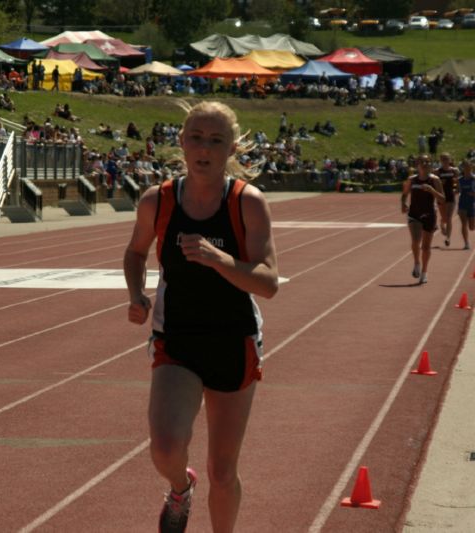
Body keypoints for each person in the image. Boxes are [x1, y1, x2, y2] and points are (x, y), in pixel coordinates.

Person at [123, 100, 279, 533]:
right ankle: (179, 488)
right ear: (181, 143)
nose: (204, 148)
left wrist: (219, 260)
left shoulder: (247, 203)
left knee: (223, 469)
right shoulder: (159, 201)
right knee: (166, 447)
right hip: (178, 340)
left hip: (233, 341)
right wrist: (136, 293)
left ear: (232, 147)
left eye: (215, 140)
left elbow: (268, 283)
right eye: (196, 137)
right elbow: (135, 252)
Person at [401, 155, 445, 284]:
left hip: (429, 214)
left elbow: (442, 199)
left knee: (426, 247)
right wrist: (403, 204)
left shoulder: (435, 180)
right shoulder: (412, 180)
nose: (425, 164)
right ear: (417, 165)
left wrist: (432, 191)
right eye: (422, 162)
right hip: (414, 214)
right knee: (415, 241)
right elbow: (404, 194)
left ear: (431, 164)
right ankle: (416, 263)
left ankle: (425, 272)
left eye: (427, 162)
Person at [457, 160, 475, 249]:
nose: (467, 168)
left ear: (471, 167)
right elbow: (456, 190)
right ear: (463, 168)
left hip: (471, 203)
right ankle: (466, 243)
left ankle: (471, 221)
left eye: (468, 167)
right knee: (463, 223)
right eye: (465, 167)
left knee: (472, 227)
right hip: (462, 202)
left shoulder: (474, 178)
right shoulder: (460, 179)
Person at [436, 153, 459, 247]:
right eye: (443, 159)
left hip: (450, 196)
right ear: (440, 160)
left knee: (449, 217)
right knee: (445, 218)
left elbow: (457, 181)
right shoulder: (437, 171)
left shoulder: (454, 170)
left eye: (447, 159)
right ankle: (441, 224)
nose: (445, 161)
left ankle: (448, 238)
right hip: (441, 196)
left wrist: (457, 189)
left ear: (450, 160)